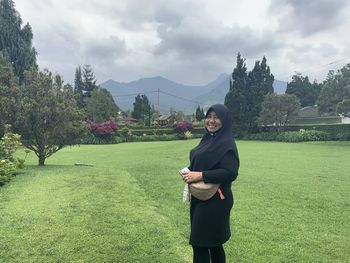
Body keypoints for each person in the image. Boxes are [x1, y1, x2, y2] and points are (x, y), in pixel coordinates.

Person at [181, 104, 240, 263]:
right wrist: (189, 171)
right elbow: (202, 160)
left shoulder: (226, 143)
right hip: (201, 197)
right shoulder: (208, 138)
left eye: (216, 117)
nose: (211, 121)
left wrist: (200, 175)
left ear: (225, 120)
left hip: (216, 200)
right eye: (209, 116)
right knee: (214, 244)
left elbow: (230, 172)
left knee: (199, 244)